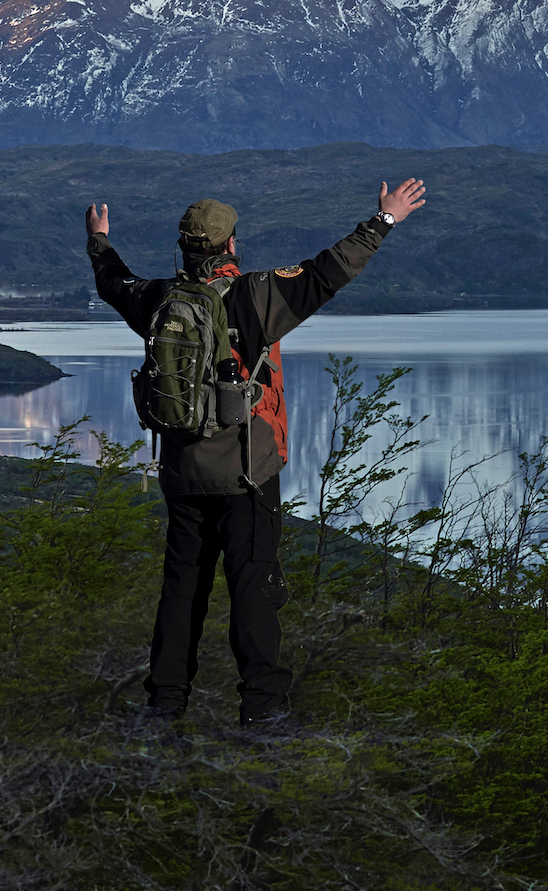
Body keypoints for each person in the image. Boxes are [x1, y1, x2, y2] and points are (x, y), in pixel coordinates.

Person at [86, 179, 428, 725]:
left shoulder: (158, 301)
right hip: (246, 473)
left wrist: (99, 243)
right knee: (254, 590)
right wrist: (383, 221)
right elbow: (327, 272)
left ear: (184, 249)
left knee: (182, 590)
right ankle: (263, 715)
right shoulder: (256, 295)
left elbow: (113, 282)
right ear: (230, 245)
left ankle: (164, 706)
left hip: (181, 472)